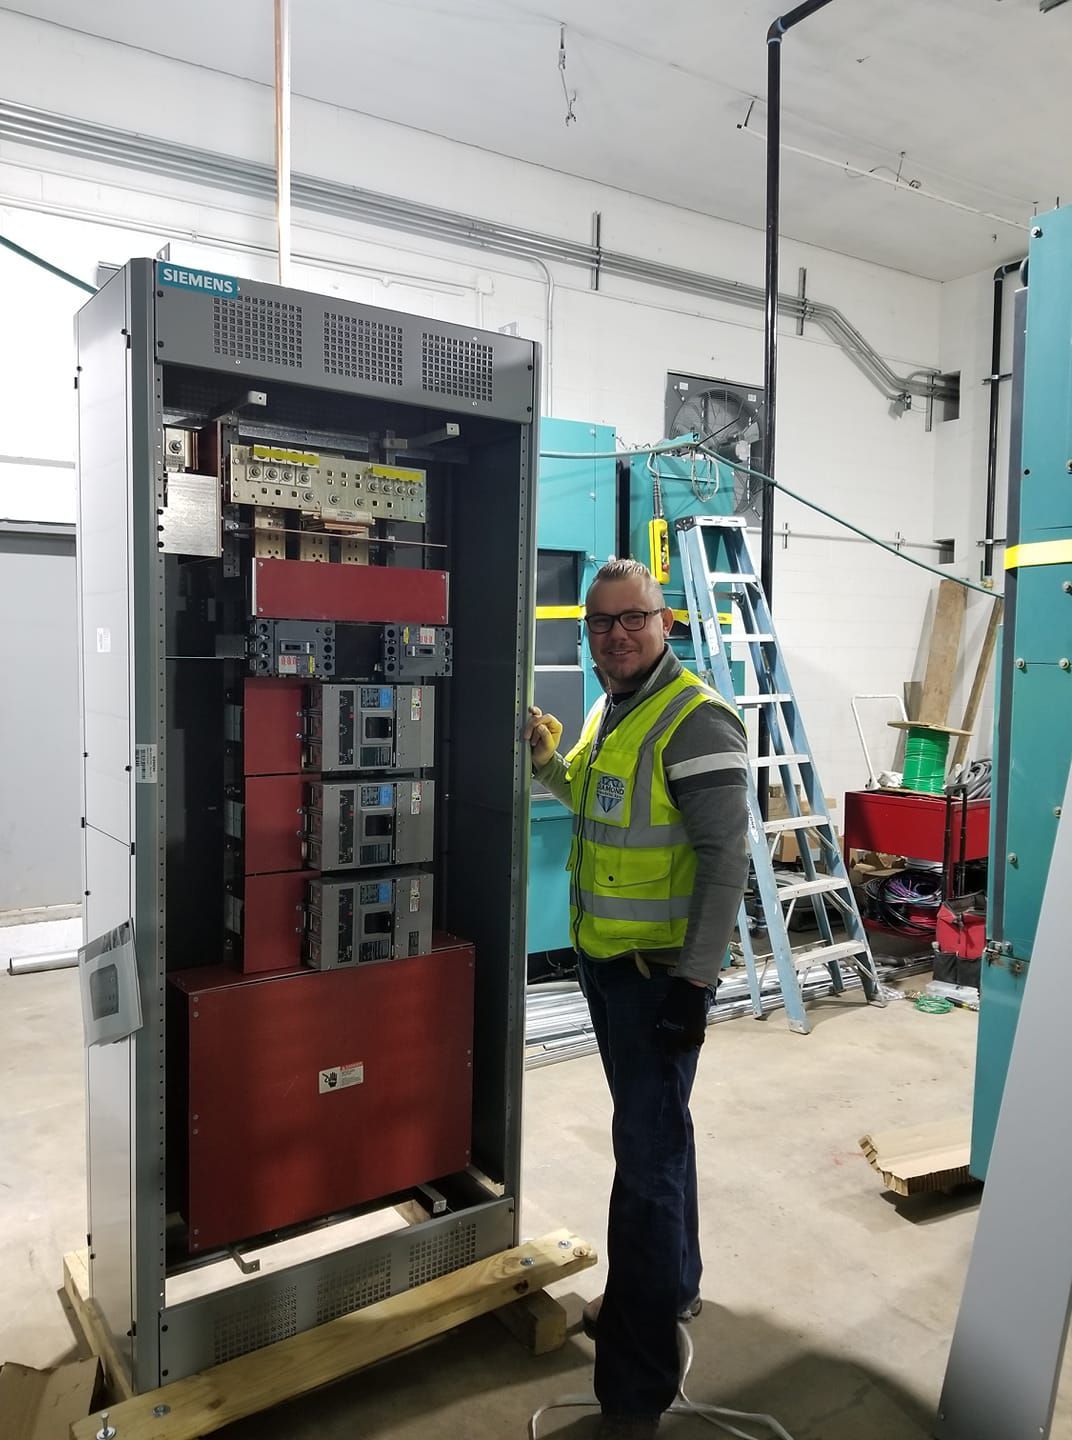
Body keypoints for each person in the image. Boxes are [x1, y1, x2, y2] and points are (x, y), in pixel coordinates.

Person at [524, 557, 749, 1438]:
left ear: (666, 623)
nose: (617, 635)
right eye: (601, 624)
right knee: (658, 1137)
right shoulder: (616, 715)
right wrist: (549, 758)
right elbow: (589, 800)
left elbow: (727, 860)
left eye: (633, 619)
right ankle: (675, 1288)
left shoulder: (695, 721)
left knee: (643, 1173)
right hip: (609, 966)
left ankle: (635, 1387)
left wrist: (694, 984)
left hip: (659, 978)